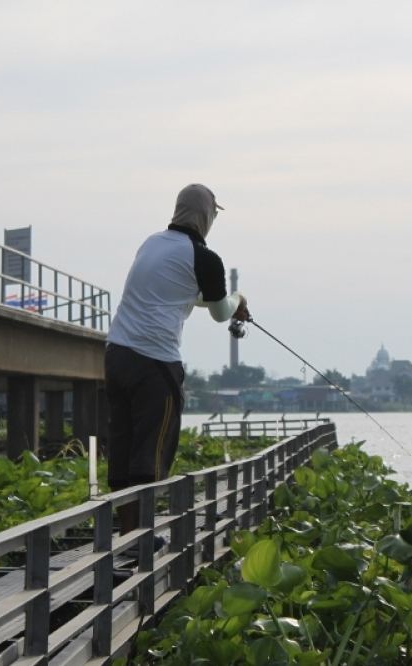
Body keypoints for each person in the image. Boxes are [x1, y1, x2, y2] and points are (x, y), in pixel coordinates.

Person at [105, 183, 250, 535]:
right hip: (155, 363)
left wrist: (221, 299)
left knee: (124, 447)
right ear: (206, 216)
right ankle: (141, 540)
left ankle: (127, 534)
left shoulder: (151, 243)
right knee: (152, 453)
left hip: (116, 354)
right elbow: (220, 312)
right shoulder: (206, 259)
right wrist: (239, 299)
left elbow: (180, 293)